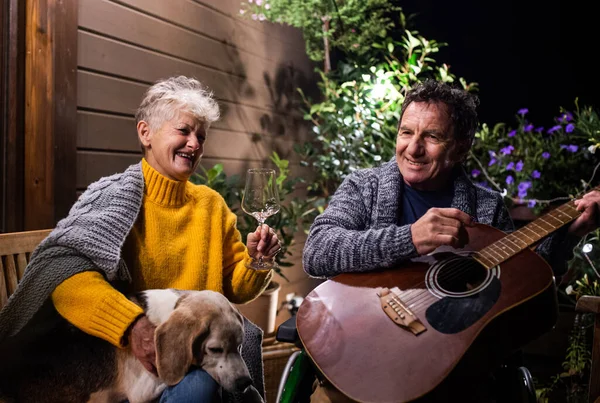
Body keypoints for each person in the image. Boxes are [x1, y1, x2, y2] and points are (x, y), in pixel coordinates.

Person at [302, 79, 600, 401]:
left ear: (461, 147)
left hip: (452, 373)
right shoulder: (365, 187)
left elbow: (518, 283)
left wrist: (569, 233)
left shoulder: (485, 206)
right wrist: (409, 238)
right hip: (361, 358)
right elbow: (318, 251)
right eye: (406, 132)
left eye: (431, 136)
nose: (413, 148)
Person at [0, 75, 281, 402]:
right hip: (130, 369)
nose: (195, 144)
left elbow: (236, 288)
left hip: (199, 356)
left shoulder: (210, 204)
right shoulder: (111, 199)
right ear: (145, 133)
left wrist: (258, 260)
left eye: (201, 136)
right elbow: (66, 281)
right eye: (184, 130)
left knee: (214, 384)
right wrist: (132, 325)